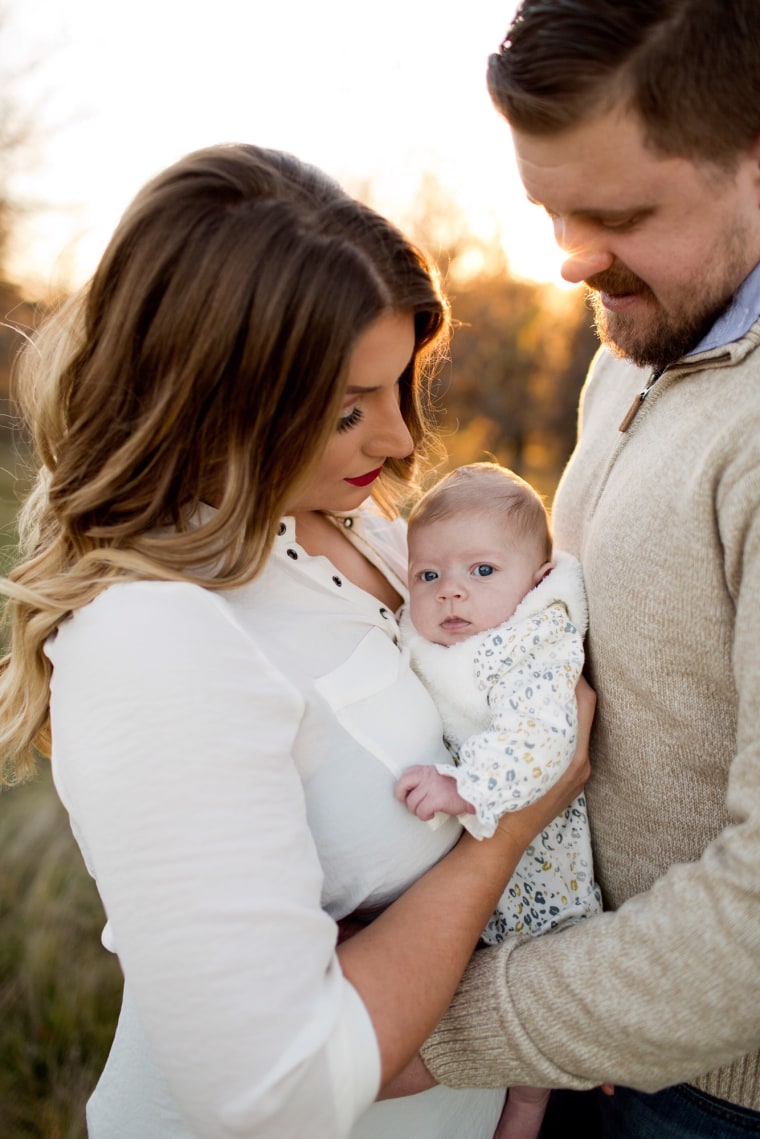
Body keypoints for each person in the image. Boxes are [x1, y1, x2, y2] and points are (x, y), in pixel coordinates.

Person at [0, 143, 593, 1139]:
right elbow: (272, 1093)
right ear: (215, 398)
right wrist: (513, 828)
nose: (403, 439)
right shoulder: (154, 630)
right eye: (348, 410)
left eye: (401, 384)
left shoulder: (361, 527)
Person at [414, 2, 760, 1136]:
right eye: (552, 211)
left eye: (613, 213)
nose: (570, 258)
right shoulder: (637, 344)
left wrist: (422, 1018)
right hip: (590, 1043)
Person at [395, 462, 602, 1139]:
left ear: (537, 578)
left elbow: (546, 735)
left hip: (540, 877)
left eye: (482, 571)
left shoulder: (531, 640)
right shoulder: (437, 639)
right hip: (472, 895)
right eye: (429, 575)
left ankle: (528, 1112)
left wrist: (467, 785)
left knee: (534, 1034)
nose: (451, 590)